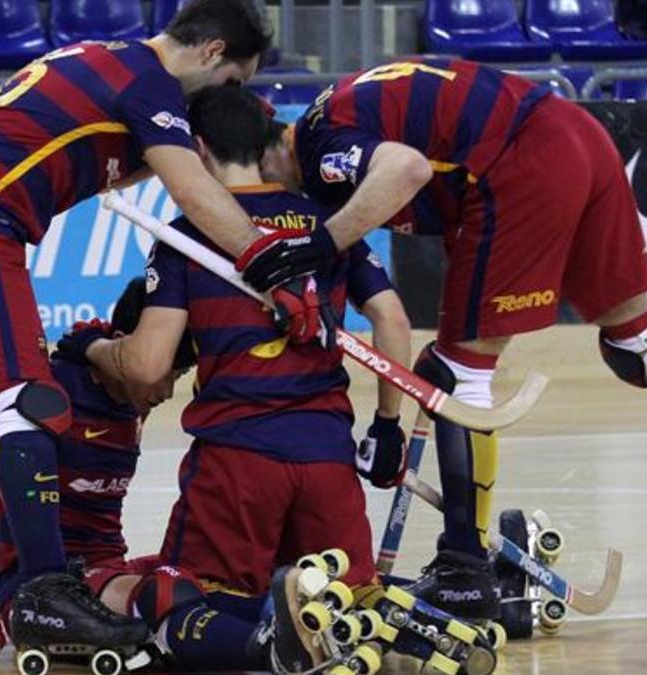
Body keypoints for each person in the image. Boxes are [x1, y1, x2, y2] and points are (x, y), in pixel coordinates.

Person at [254, 57, 647, 619]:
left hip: (522, 159)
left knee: (455, 372)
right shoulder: (338, 119)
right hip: (575, 135)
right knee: (641, 338)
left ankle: (464, 573)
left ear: (262, 153)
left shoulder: (322, 149)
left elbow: (407, 170)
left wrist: (321, 244)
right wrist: (389, 424)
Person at [0, 0, 344, 649]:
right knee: (28, 405)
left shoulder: (109, 65)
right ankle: (45, 593)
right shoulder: (145, 81)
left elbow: (162, 159)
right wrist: (272, 264)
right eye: (235, 81)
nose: (226, 97)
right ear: (212, 52)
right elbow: (190, 189)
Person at [72, 86, 414, 672]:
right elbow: (392, 318)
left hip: (237, 461)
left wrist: (92, 347)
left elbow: (150, 365)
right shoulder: (325, 224)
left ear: (197, 152)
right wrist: (388, 424)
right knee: (349, 606)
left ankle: (267, 651)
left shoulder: (187, 235)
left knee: (182, 604)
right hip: (327, 457)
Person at [0, 277, 195, 662]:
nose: (167, 391)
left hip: (105, 569)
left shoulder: (130, 395)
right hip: (42, 590)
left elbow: (92, 342)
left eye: (176, 376)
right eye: (167, 374)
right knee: (169, 596)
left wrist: (90, 344)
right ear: (125, 345)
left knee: (213, 576)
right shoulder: (50, 393)